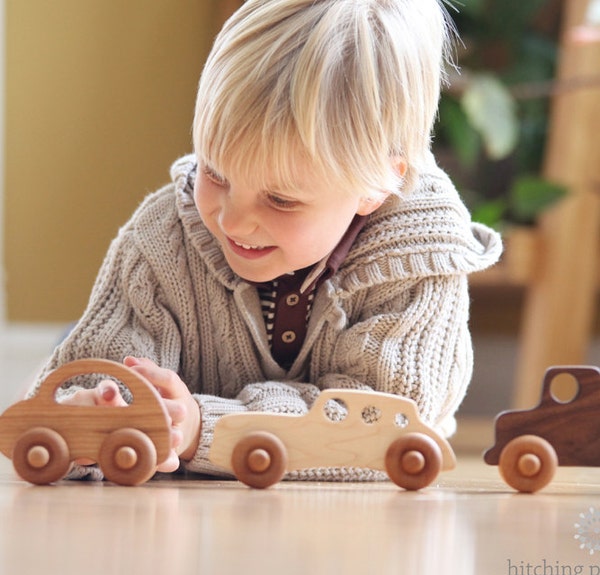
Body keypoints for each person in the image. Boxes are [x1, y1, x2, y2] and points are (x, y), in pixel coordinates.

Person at [28, 0, 501, 481]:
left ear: (378, 183)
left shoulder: (421, 265)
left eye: (280, 200)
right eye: (214, 172)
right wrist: (93, 407)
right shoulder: (163, 236)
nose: (233, 221)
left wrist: (204, 427)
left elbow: (379, 428)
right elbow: (94, 372)